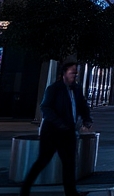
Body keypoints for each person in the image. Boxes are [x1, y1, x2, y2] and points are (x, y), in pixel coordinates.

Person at [20, 61, 93, 196]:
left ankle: (71, 193)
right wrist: (59, 123)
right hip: (53, 132)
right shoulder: (54, 89)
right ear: (64, 74)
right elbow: (45, 108)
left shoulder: (76, 89)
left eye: (76, 74)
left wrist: (87, 119)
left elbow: (82, 105)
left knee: (69, 163)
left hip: (68, 131)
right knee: (43, 160)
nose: (74, 76)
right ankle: (25, 190)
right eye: (72, 73)